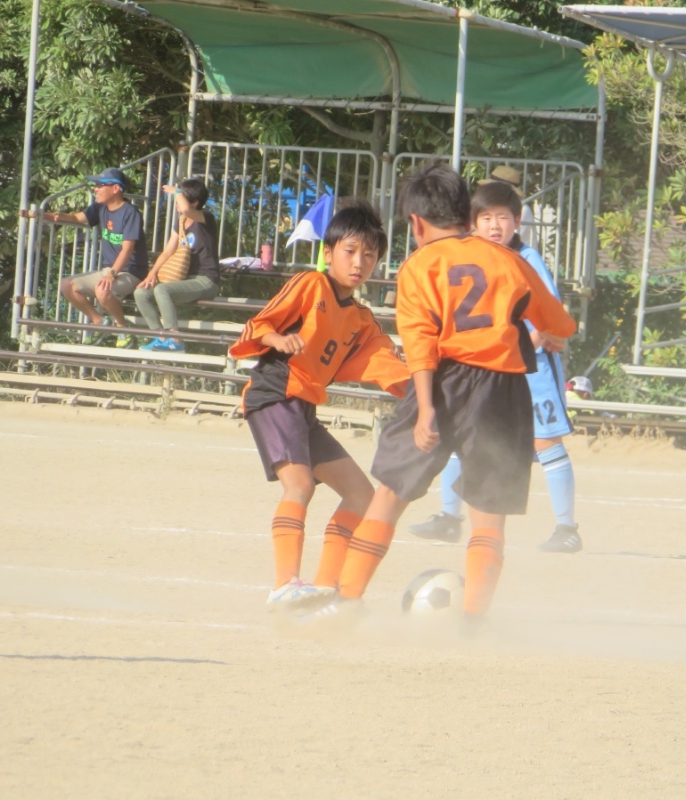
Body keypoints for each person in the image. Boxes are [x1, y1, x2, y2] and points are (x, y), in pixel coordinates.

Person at [304, 162, 577, 625]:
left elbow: (420, 343)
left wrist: (427, 408)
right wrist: (549, 331)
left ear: (416, 223)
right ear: (468, 217)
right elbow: (560, 324)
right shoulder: (510, 260)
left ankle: (346, 601)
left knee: (390, 494)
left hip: (444, 381)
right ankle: (472, 623)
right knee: (488, 514)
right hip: (504, 390)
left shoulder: (419, 266)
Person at [228, 200, 409, 612]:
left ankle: (326, 587)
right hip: (275, 393)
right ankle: (284, 585)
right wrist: (278, 339)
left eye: (369, 254)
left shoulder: (362, 319)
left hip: (304, 406)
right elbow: (259, 324)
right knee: (300, 485)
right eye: (350, 251)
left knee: (361, 494)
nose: (359, 262)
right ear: (329, 253)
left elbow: (388, 366)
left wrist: (428, 392)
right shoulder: (311, 284)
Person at [408, 180, 582, 554]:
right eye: (486, 218)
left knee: (547, 442)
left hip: (532, 370)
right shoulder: (470, 256)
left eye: (502, 217)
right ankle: (450, 516)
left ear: (517, 221)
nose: (494, 226)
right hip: (490, 373)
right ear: (473, 222)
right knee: (466, 438)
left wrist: (534, 340)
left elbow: (551, 318)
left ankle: (567, 527)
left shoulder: (527, 258)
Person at [50, 167, 150, 349]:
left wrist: (111, 274)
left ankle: (123, 327)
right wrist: (46, 215)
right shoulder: (100, 207)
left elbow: (127, 249)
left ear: (116, 188)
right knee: (67, 285)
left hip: (131, 271)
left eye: (100, 185)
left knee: (102, 290)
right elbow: (77, 218)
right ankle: (99, 322)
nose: (95, 189)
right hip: (109, 270)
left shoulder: (131, 212)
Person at [134, 178, 220, 352]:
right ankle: (160, 337)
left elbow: (186, 209)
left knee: (162, 290)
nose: (176, 202)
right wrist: (152, 273)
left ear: (195, 203)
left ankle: (175, 340)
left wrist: (176, 191)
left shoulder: (206, 217)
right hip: (184, 279)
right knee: (141, 293)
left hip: (206, 280)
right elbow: (167, 252)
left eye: (181, 197)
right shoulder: (180, 221)